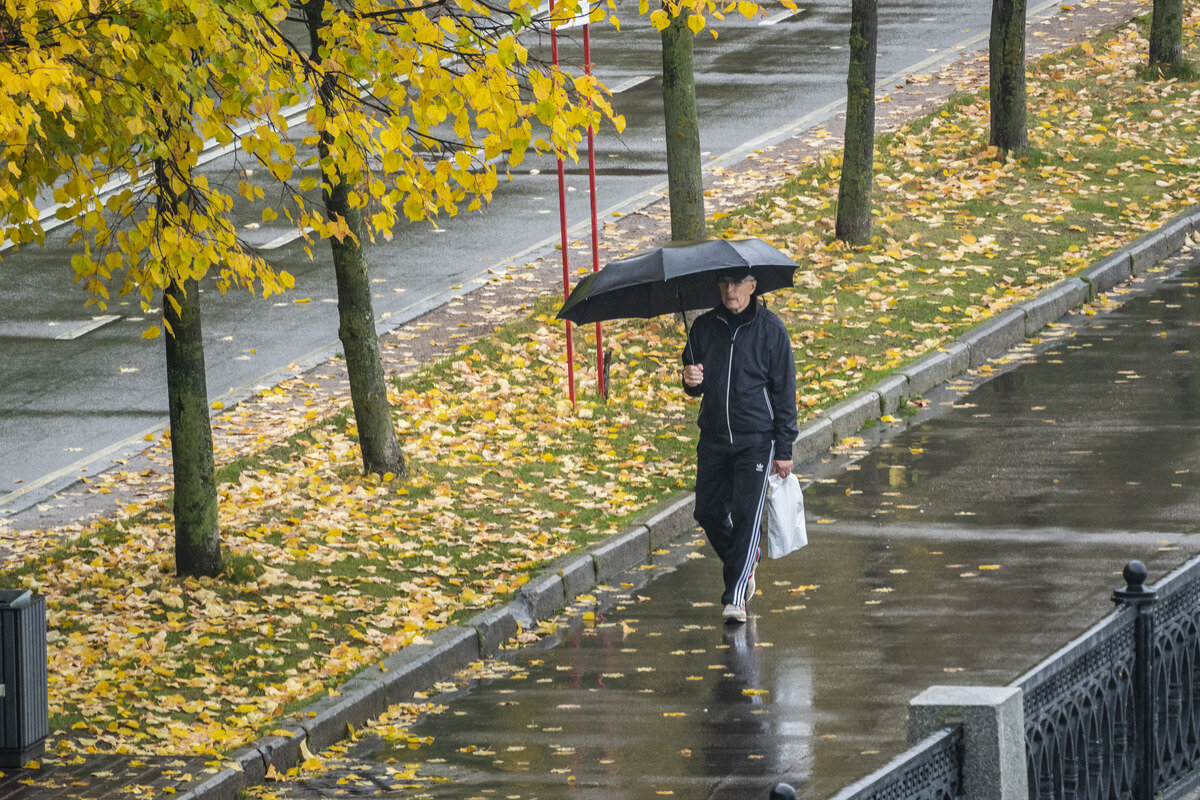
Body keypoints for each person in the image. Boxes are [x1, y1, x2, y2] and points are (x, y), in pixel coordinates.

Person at [681, 267, 798, 624]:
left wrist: (784, 449)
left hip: (756, 441)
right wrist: (690, 379)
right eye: (724, 284)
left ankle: (735, 599)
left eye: (737, 284)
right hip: (714, 437)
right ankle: (747, 559)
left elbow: (784, 392)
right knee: (707, 512)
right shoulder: (702, 328)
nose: (730, 290)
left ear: (753, 286)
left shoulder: (771, 330)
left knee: (747, 516)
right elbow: (693, 382)